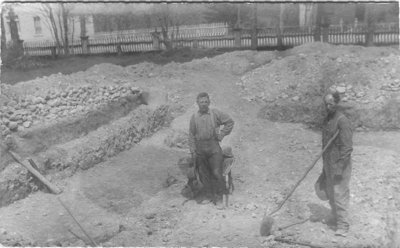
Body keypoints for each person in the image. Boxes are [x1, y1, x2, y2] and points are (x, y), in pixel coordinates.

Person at [188, 92, 234, 208]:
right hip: (200, 148)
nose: (203, 104)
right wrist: (193, 151)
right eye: (201, 102)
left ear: (209, 102)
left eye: (205, 102)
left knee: (216, 172)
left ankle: (219, 198)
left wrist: (222, 134)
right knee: (203, 174)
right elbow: (191, 135)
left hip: (213, 147)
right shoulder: (194, 117)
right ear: (197, 103)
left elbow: (229, 122)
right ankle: (208, 195)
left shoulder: (215, 114)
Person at [318, 91, 353, 237]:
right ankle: (334, 218)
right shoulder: (327, 120)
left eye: (331, 104)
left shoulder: (342, 121)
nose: (328, 107)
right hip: (328, 162)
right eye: (326, 104)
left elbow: (347, 148)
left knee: (339, 193)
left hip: (340, 164)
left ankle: (343, 226)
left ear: (337, 104)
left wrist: (339, 167)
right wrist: (325, 165)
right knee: (329, 191)